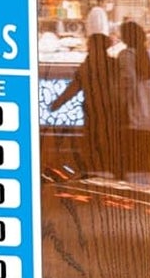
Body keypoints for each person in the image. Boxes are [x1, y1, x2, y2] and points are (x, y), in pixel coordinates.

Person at [49, 33, 122, 175]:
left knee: (93, 143)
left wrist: (56, 104)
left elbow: (73, 89)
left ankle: (95, 171)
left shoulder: (87, 66)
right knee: (109, 143)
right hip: (111, 111)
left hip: (92, 111)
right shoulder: (113, 64)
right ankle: (110, 171)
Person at [116, 19, 150, 182]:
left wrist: (120, 104)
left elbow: (127, 83)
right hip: (148, 109)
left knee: (123, 143)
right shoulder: (145, 54)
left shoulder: (126, 55)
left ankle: (121, 175)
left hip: (134, 107)